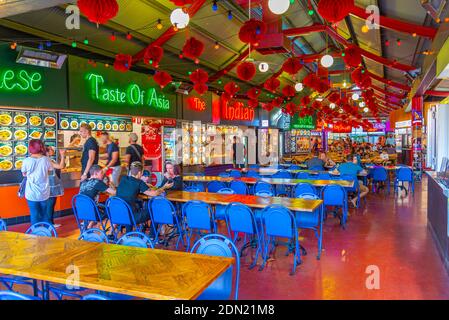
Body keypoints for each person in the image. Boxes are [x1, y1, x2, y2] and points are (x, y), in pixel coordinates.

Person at [116, 161, 172, 230]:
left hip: (118, 214)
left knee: (129, 208)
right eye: (142, 172)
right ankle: (152, 236)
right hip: (132, 216)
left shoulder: (123, 179)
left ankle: (129, 234)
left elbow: (129, 187)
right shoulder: (139, 183)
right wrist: (164, 187)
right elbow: (154, 193)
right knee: (154, 210)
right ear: (139, 173)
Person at [21, 140, 53, 225]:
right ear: (41, 147)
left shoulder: (26, 161)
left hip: (31, 192)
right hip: (44, 192)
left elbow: (24, 174)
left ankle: (35, 235)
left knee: (34, 215)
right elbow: (49, 170)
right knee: (45, 215)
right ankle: (46, 235)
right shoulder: (46, 160)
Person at [45, 146, 66, 228]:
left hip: (49, 185)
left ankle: (49, 222)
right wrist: (63, 155)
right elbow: (61, 166)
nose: (53, 150)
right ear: (47, 151)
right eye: (51, 149)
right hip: (51, 186)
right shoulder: (48, 160)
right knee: (50, 204)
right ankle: (50, 223)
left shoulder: (47, 159)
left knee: (49, 204)